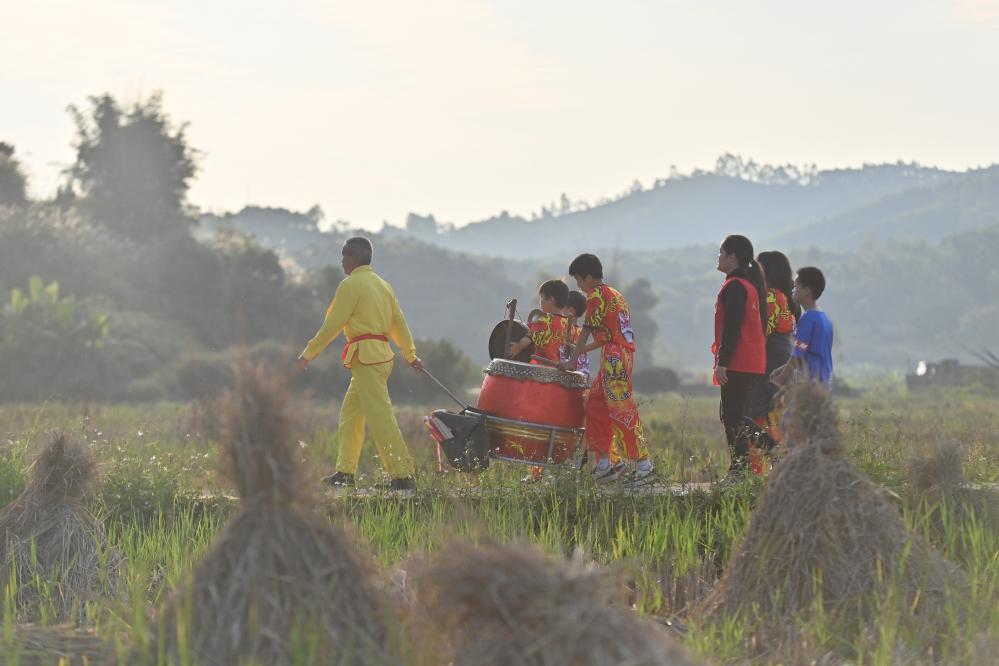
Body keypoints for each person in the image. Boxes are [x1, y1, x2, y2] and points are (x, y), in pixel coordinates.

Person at [297, 237, 423, 490]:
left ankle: (402, 476)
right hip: (378, 358)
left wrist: (308, 354)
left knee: (381, 417)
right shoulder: (383, 285)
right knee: (350, 416)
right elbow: (399, 323)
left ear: (353, 257)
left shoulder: (350, 285)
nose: (342, 261)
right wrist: (410, 355)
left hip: (367, 359)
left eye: (343, 255)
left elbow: (333, 324)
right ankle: (345, 473)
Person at [559, 253, 654, 486]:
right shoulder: (615, 294)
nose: (579, 287)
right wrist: (579, 351)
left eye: (579, 280)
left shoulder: (596, 296)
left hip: (614, 359)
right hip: (616, 354)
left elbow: (586, 330)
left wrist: (571, 361)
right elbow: (604, 338)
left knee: (621, 410)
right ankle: (604, 466)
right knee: (595, 405)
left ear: (589, 278)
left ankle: (644, 466)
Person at [712, 235, 767, 480]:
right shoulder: (749, 286)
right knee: (732, 416)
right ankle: (767, 452)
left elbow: (732, 327)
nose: (718, 257)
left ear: (732, 257)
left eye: (721, 252)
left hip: (738, 361)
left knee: (732, 417)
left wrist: (723, 362)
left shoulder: (735, 287)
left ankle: (740, 469)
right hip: (751, 361)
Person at [743, 250, 797, 472]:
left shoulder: (772, 298)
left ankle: (763, 469)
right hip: (780, 364)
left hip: (768, 366)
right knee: (773, 417)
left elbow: (760, 334)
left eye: (757, 266)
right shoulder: (787, 299)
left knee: (755, 415)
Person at [770, 266, 833, 388]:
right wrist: (782, 369)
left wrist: (780, 379)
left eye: (796, 286)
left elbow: (798, 353)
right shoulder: (825, 319)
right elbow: (806, 351)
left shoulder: (808, 318)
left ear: (807, 291)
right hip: (824, 382)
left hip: (809, 384)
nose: (793, 290)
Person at [507, 280, 570, 363]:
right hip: (559, 367)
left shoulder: (545, 321)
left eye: (542, 298)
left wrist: (517, 348)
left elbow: (529, 339)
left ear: (551, 299)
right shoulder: (568, 324)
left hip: (540, 366)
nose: (540, 301)